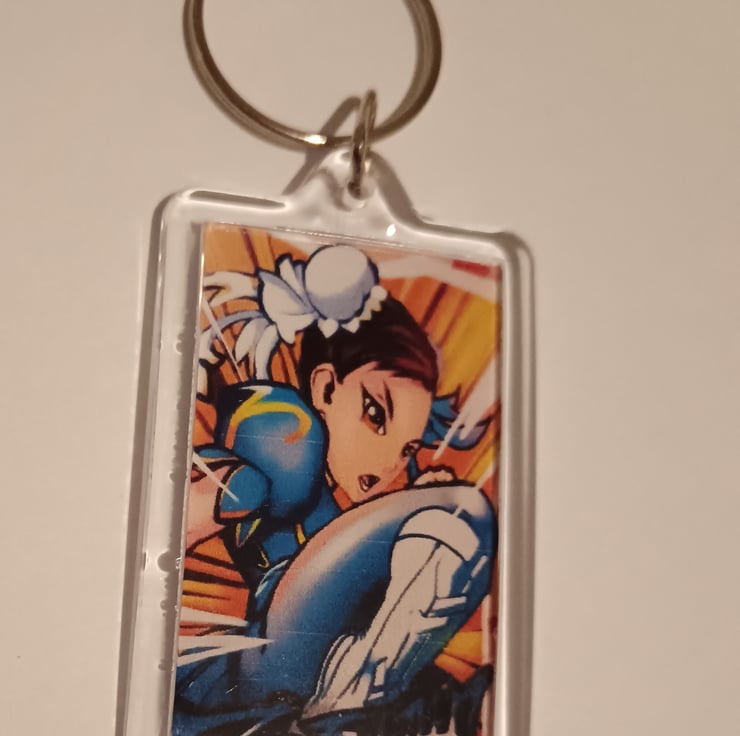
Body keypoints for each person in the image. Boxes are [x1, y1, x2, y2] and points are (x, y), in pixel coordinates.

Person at [175, 245, 496, 734]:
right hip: (283, 640)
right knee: (464, 512)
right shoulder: (287, 435)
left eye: (407, 449)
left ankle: (364, 708)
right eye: (375, 414)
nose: (389, 463)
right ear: (325, 388)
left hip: (303, 665)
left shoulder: (355, 507)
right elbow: (221, 495)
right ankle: (352, 703)